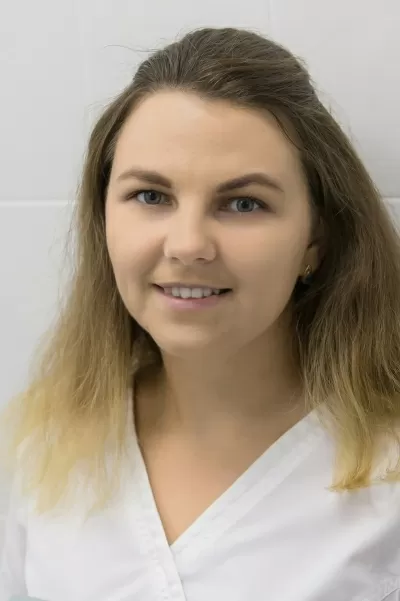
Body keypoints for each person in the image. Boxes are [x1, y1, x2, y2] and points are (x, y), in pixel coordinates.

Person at [1, 25, 400, 601]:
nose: (188, 245)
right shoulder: (43, 447)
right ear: (103, 221)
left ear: (315, 241)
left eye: (243, 203)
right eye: (151, 196)